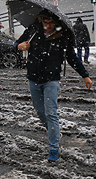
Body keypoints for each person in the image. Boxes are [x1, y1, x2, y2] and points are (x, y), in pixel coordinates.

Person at [15, 11, 92, 162]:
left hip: (51, 80)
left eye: (51, 23)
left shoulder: (63, 37)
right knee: (40, 113)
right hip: (33, 79)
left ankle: (54, 150)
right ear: (40, 20)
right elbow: (15, 44)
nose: (48, 26)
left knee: (51, 113)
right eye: (45, 22)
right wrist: (20, 46)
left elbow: (72, 58)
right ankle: (55, 132)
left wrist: (85, 75)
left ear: (56, 23)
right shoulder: (33, 31)